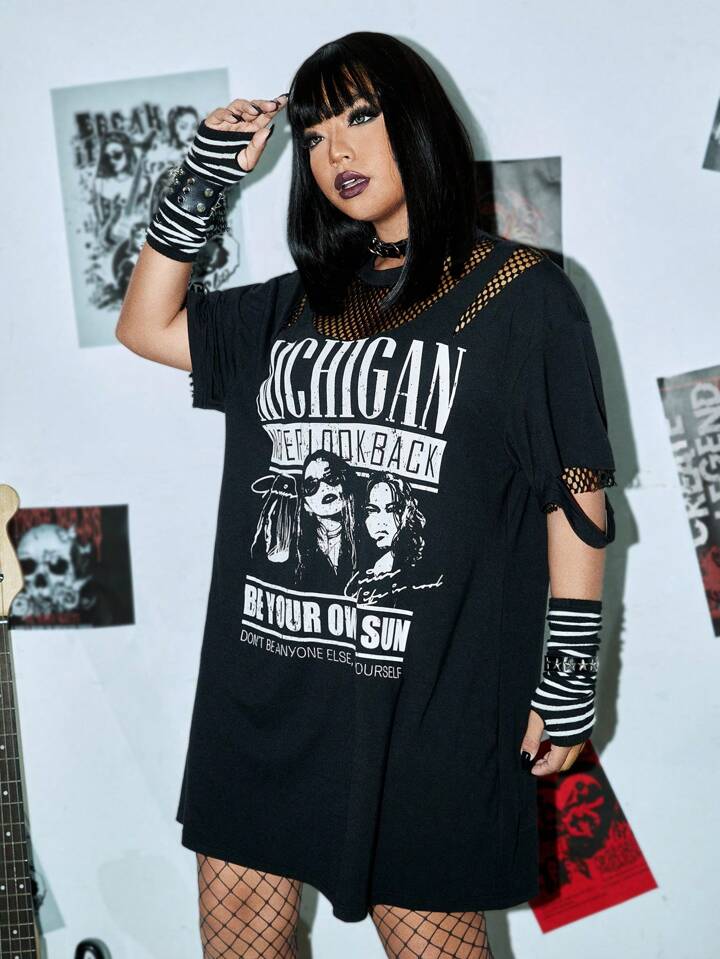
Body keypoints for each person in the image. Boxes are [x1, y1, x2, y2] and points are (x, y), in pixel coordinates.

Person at [116, 31, 617, 959]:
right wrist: (203, 178)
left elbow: (575, 495)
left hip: (429, 705)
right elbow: (147, 324)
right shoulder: (293, 305)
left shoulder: (523, 296)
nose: (334, 151)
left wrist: (569, 676)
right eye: (312, 135)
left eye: (359, 116)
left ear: (417, 121)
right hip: (262, 694)